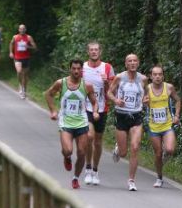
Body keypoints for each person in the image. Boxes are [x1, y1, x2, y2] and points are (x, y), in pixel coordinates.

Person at [45, 59, 99, 189]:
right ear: (70, 69)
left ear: (82, 70)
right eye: (73, 68)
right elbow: (48, 94)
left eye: (78, 69)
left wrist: (96, 112)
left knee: (81, 152)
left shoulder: (87, 86)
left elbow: (94, 102)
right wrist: (53, 111)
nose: (76, 71)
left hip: (81, 122)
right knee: (68, 150)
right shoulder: (61, 83)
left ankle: (75, 178)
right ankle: (67, 157)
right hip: (66, 122)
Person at [107, 54, 148, 191]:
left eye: (135, 60)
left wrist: (145, 100)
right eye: (129, 61)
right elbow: (109, 93)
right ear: (126, 64)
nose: (132, 63)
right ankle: (119, 149)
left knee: (135, 147)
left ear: (138, 63)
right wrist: (116, 100)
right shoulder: (119, 77)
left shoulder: (143, 79)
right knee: (124, 153)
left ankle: (131, 180)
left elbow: (146, 95)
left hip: (136, 116)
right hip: (121, 116)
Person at [82, 42, 115, 185]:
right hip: (86, 107)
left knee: (98, 141)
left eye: (96, 50)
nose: (94, 52)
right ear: (88, 52)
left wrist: (106, 82)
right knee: (89, 137)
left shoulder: (107, 68)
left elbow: (111, 92)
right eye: (91, 50)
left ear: (100, 52)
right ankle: (87, 168)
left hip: (102, 108)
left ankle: (95, 170)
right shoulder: (82, 68)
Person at [146, 65, 181, 188]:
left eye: (160, 74)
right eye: (155, 74)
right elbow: (141, 103)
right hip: (153, 127)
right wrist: (144, 103)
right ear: (151, 76)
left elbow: (178, 100)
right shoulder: (147, 88)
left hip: (167, 125)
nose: (157, 77)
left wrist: (176, 115)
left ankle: (165, 156)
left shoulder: (169, 87)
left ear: (163, 76)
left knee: (170, 149)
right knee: (157, 154)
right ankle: (159, 177)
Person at [9, 24, 37, 99]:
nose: (22, 30)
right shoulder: (15, 37)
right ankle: (20, 85)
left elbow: (35, 47)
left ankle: (24, 91)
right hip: (17, 57)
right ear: (18, 30)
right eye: (21, 29)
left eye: (23, 29)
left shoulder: (29, 37)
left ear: (25, 29)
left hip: (26, 58)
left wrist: (29, 47)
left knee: (25, 75)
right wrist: (11, 52)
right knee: (19, 72)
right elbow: (11, 44)